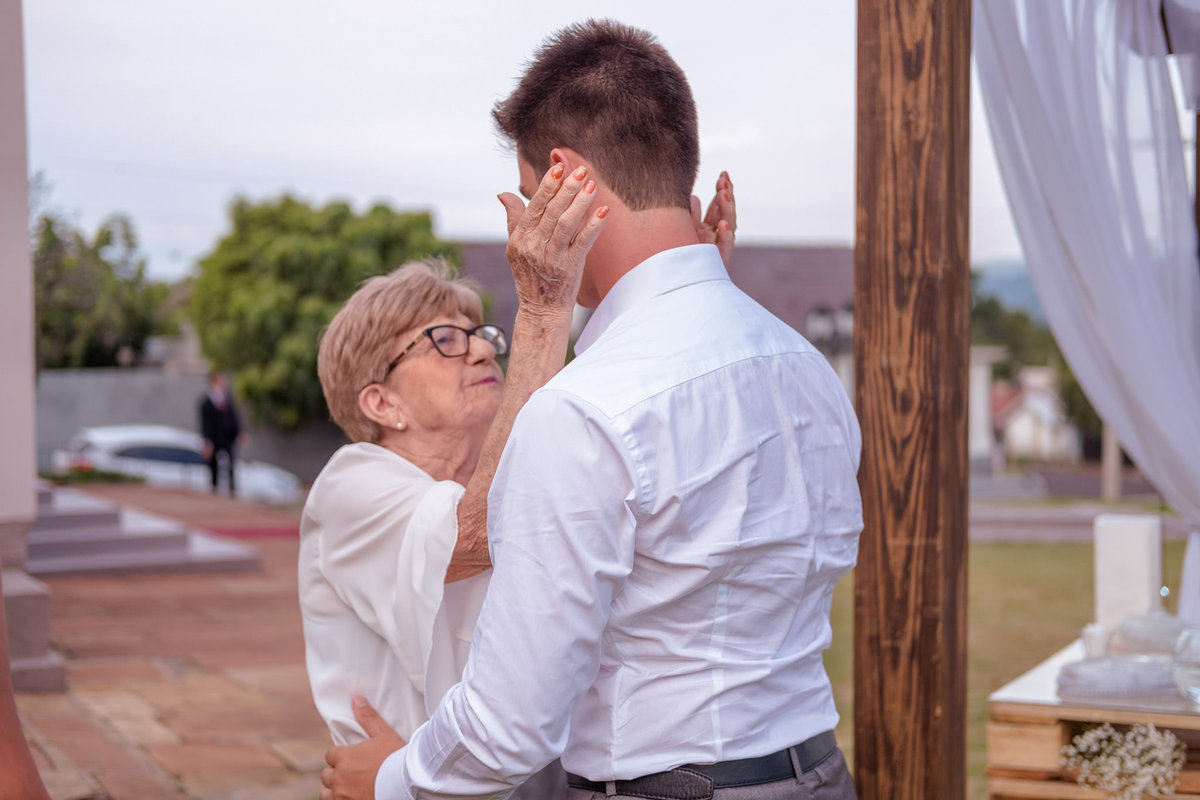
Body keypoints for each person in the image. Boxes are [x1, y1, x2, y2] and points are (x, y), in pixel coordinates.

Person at [323, 18, 861, 800]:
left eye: (528, 194)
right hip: (819, 773)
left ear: (567, 182)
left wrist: (393, 779)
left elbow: (510, 723)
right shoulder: (807, 369)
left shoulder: (585, 410)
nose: (522, 220)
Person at [304, 156, 738, 798]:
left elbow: (603, 411)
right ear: (381, 402)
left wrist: (678, 298)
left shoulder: (502, 467)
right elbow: (481, 532)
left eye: (480, 333)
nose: (483, 347)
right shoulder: (351, 485)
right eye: (444, 340)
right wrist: (541, 310)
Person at [198, 370, 245, 495]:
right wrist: (207, 441)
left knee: (231, 464)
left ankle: (232, 491)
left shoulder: (227, 399)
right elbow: (205, 423)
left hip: (228, 438)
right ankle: (214, 490)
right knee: (213, 465)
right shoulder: (206, 402)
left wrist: (239, 432)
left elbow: (234, 418)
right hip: (214, 438)